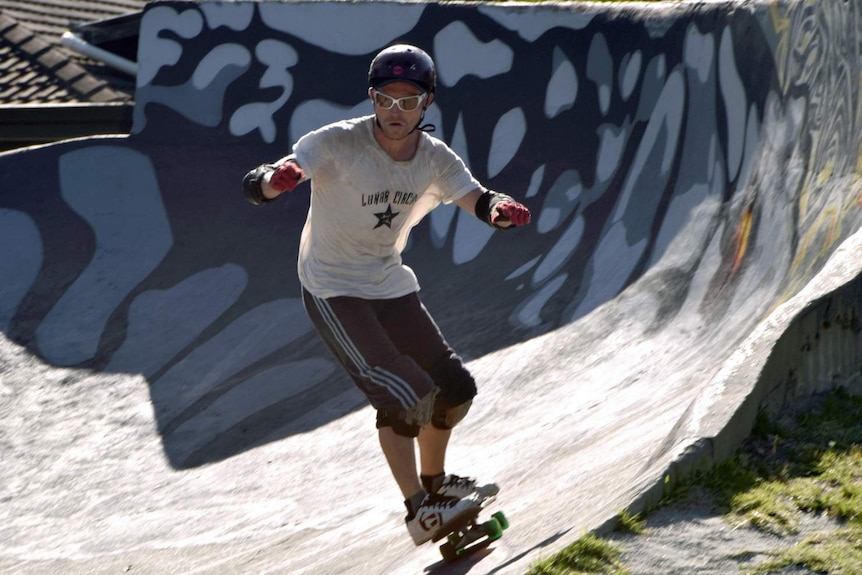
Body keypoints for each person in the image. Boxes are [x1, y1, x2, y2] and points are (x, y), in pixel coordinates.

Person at [242, 44, 531, 545]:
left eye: (409, 101)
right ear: (372, 98)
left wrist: (501, 210)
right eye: (386, 100)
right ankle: (419, 511)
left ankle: (437, 487)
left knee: (455, 388)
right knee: (406, 393)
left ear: (428, 104)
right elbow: (261, 181)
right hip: (333, 289)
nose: (396, 113)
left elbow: (477, 198)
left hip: (387, 282)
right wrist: (275, 182)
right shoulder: (335, 142)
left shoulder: (435, 158)